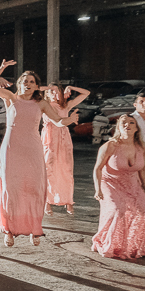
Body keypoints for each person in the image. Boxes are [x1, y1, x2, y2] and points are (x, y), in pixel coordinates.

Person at [0, 62, 72, 246]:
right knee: (11, 188)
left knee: (33, 187)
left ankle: (34, 228)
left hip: (32, 148)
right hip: (11, 147)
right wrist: (1, 68)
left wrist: (68, 120)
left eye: (31, 81)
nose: (28, 84)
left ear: (37, 86)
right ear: (18, 84)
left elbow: (58, 122)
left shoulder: (41, 103)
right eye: (24, 81)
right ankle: (9, 230)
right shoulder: (10, 98)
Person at [91, 114, 145, 260]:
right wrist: (98, 189)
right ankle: (108, 243)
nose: (127, 125)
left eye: (131, 123)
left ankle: (134, 247)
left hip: (132, 184)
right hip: (110, 183)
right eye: (123, 122)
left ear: (136, 128)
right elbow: (97, 169)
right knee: (118, 210)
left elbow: (143, 169)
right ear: (118, 127)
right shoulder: (110, 145)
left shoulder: (142, 146)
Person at [41, 83, 87, 215]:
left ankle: (68, 201)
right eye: (52, 92)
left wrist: (71, 88)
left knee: (66, 168)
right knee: (48, 169)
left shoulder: (66, 105)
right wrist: (49, 88)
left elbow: (86, 93)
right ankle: (47, 202)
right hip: (49, 138)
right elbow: (35, 90)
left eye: (58, 92)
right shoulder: (44, 104)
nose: (55, 94)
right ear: (47, 93)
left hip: (63, 137)